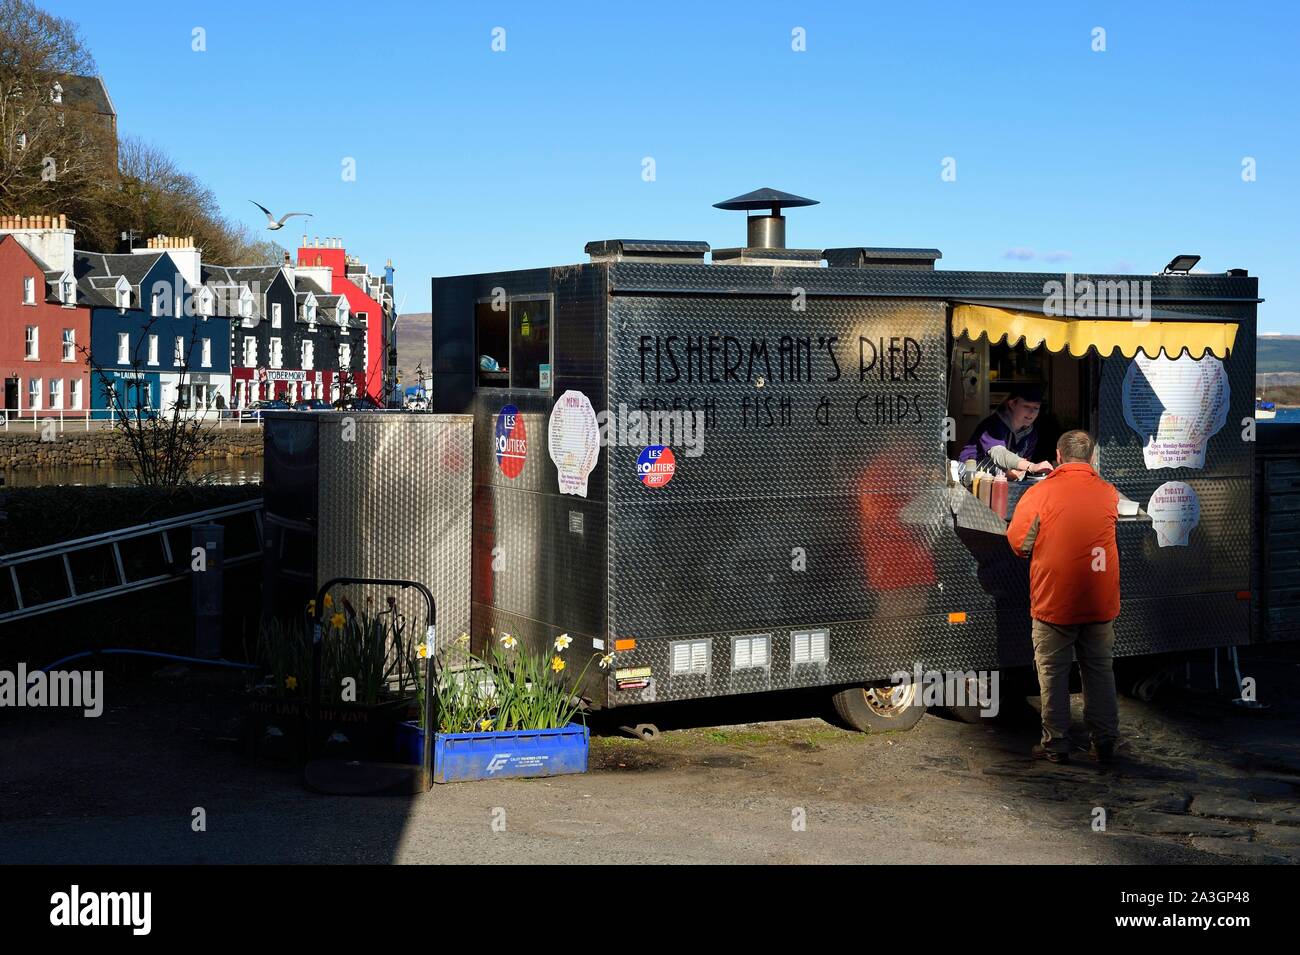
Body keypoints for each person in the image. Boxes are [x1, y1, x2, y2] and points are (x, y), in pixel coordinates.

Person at [1007, 430, 1121, 764]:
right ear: (1090, 458)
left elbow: (1018, 543)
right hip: (1099, 601)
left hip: (1054, 601)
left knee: (1054, 673)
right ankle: (1105, 741)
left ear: (1058, 455)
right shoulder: (1108, 493)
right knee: (1099, 671)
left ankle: (1056, 743)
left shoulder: (1041, 493)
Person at [959, 383, 1054, 479]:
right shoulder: (993, 424)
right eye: (1026, 406)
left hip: (1002, 479)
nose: (1031, 412)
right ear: (1012, 404)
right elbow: (999, 453)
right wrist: (1032, 466)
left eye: (1036, 408)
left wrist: (1019, 471)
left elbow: (1023, 462)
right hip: (970, 474)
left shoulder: (1032, 434)